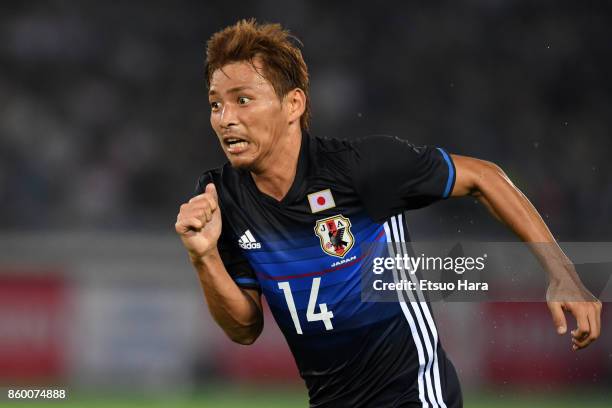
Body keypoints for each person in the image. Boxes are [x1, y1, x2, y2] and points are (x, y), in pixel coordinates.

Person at [175, 19, 602, 407]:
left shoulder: (361, 168)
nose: (225, 118)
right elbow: (244, 328)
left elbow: (485, 178)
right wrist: (204, 256)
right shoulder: (221, 197)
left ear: (294, 105)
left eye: (243, 100)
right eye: (216, 104)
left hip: (414, 394)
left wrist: (561, 271)